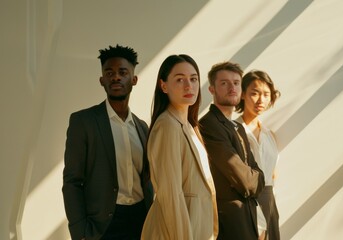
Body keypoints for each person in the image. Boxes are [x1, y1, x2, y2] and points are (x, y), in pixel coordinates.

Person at [62, 45, 153, 240]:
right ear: (102, 80)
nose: (116, 77)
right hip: (103, 226)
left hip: (141, 221)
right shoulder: (83, 122)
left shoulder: (143, 127)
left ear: (134, 79)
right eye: (109, 72)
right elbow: (72, 182)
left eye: (123, 72)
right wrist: (80, 232)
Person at [141, 54, 218, 240]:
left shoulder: (189, 126)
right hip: (176, 233)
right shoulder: (167, 125)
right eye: (179, 79)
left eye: (193, 79)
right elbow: (170, 194)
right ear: (164, 86)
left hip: (197, 228)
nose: (188, 86)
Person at [199, 62, 265, 240]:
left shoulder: (239, 127)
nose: (232, 88)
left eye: (236, 83)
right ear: (212, 89)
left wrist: (255, 179)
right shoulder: (208, 125)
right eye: (224, 83)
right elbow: (243, 178)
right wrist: (254, 179)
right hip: (228, 221)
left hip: (248, 217)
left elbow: (259, 175)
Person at [235, 70, 281, 240]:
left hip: (269, 201)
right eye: (254, 93)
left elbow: (273, 175)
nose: (261, 100)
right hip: (243, 202)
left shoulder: (270, 136)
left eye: (266, 94)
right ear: (242, 95)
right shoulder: (232, 131)